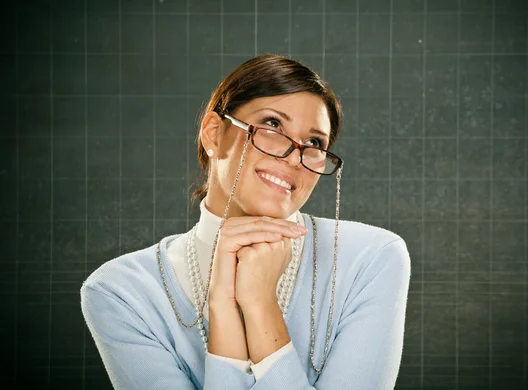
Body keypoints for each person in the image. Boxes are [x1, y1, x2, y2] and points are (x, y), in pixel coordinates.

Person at [80, 54, 411, 389]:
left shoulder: (370, 257)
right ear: (213, 134)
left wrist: (260, 303)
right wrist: (222, 304)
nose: (295, 156)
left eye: (314, 143)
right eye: (272, 124)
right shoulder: (120, 292)